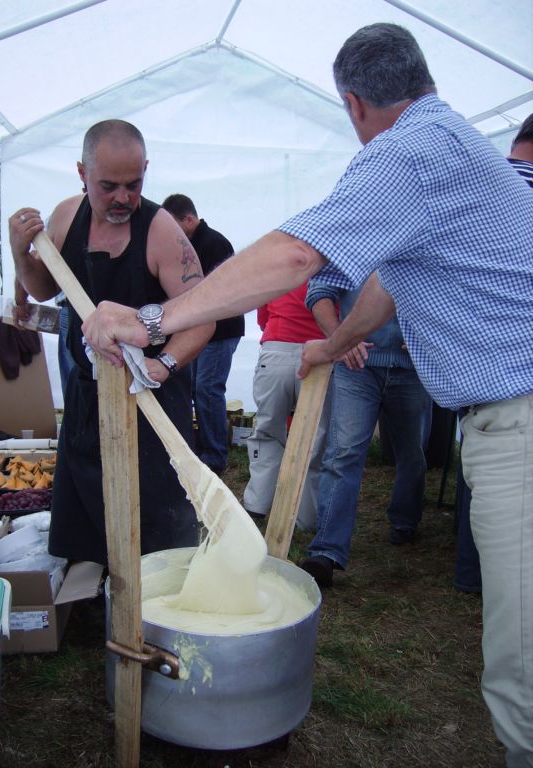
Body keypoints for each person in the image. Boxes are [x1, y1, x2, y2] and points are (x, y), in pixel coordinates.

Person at [81, 25, 533, 767]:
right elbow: (388, 279)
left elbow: (296, 254)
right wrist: (332, 342)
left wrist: (154, 320)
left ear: (353, 104)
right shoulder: (455, 144)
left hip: (520, 422)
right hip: (510, 416)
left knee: (523, 667)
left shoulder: (409, 153)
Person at [8, 119, 214, 566]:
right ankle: (92, 584)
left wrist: (164, 365)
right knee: (87, 506)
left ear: (145, 171)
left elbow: (203, 317)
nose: (123, 198)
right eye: (108, 186)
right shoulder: (66, 217)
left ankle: (160, 587)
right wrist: (20, 253)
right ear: (82, 173)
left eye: (133, 184)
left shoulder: (161, 232)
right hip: (88, 393)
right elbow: (43, 287)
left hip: (152, 395)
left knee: (157, 516)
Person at [300, 280, 432, 587]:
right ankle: (326, 551)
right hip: (356, 366)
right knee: (342, 453)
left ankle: (405, 520)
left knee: (412, 454)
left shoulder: (434, 247)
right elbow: (319, 291)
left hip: (414, 369)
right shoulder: (351, 248)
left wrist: (431, 338)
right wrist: (340, 339)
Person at [454, 111, 533, 593]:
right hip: (519, 385)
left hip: (478, 384)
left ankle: (472, 573)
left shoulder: (477, 188)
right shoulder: (520, 191)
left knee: (482, 477)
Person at [161, 194, 244, 474]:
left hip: (220, 331)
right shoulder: (193, 243)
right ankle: (202, 449)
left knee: (207, 389)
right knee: (198, 389)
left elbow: (223, 292)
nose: (171, 232)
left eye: (174, 225)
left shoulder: (214, 244)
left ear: (188, 219)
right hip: (202, 330)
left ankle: (215, 455)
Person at [242, 283, 331, 531]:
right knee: (314, 440)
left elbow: (263, 318)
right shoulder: (336, 268)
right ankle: (306, 516)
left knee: (267, 431)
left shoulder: (280, 270)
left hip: (277, 350)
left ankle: (256, 504)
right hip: (321, 351)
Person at [12, 278, 75, 397]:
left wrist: (20, 301)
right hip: (98, 302)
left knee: (77, 386)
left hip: (75, 304)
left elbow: (26, 267)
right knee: (80, 384)